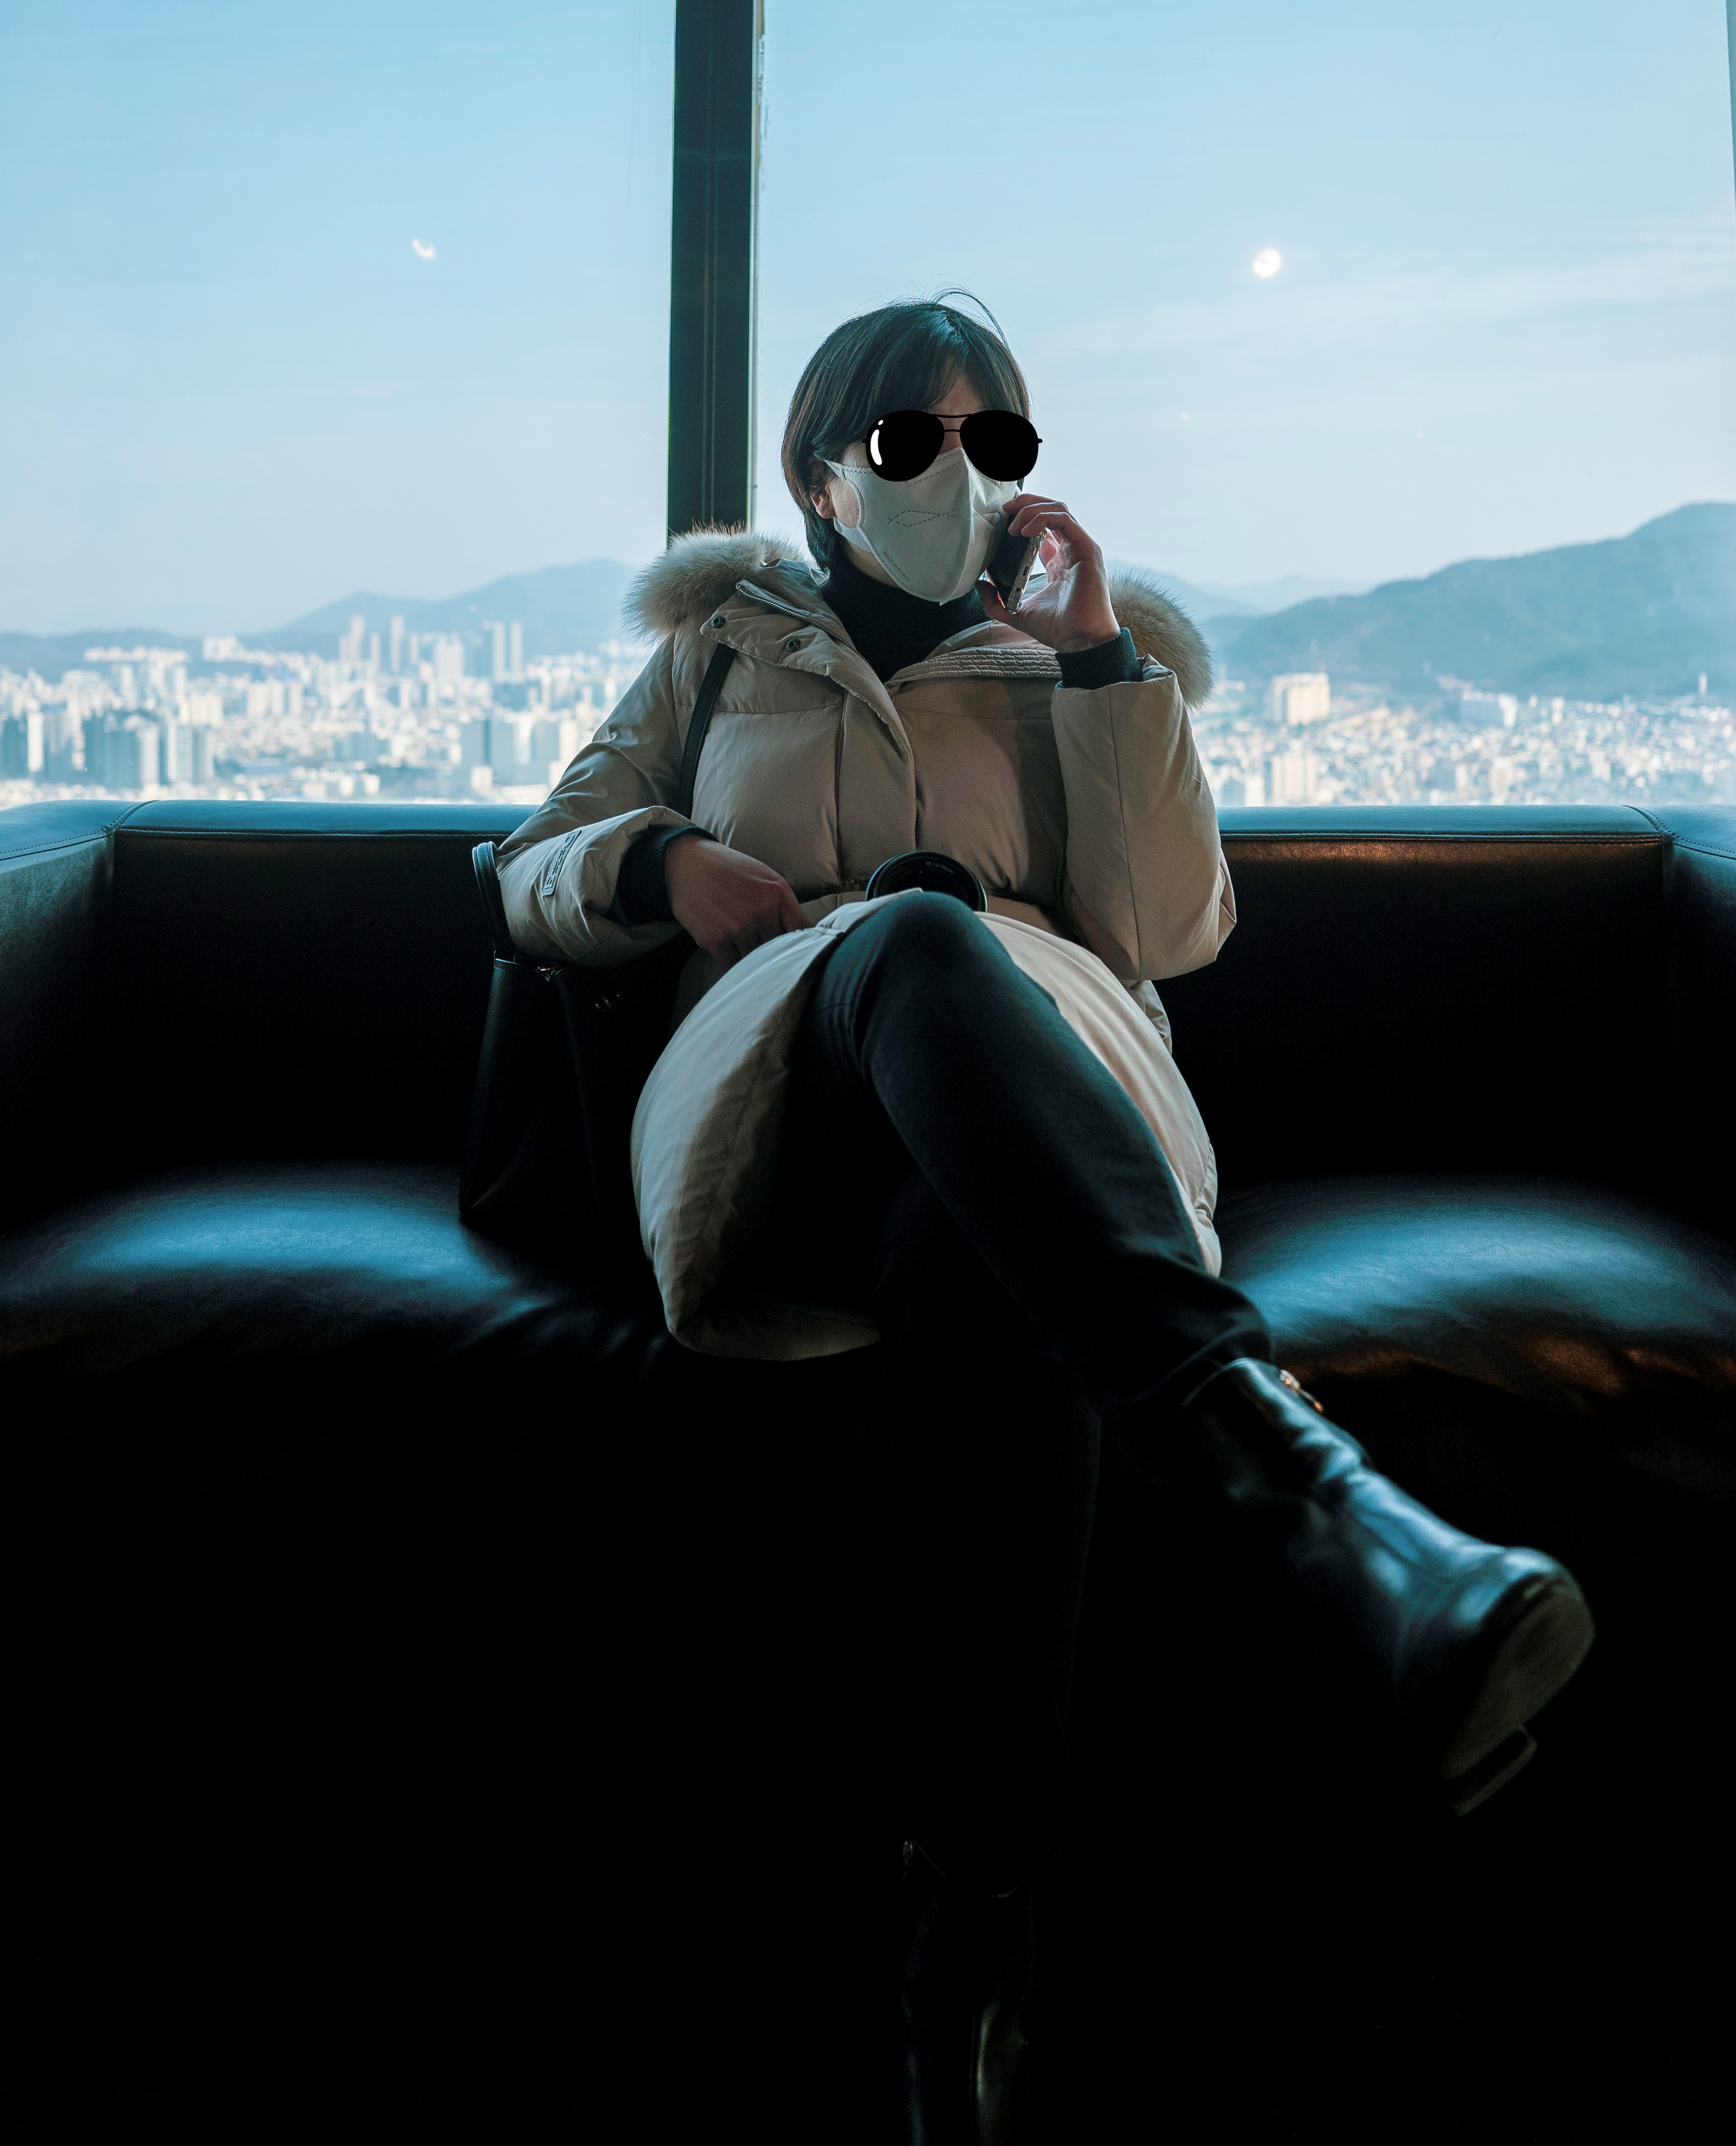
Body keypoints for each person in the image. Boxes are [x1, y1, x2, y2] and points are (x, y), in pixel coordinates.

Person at [495, 297, 1593, 2142]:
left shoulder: (1084, 659)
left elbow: (1167, 932)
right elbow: (532, 865)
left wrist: (1097, 668)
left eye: (991, 440)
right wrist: (660, 859)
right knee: (915, 933)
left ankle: (970, 1923)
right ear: (819, 474)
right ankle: (1304, 1494)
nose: (956, 474)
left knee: (982, 1261)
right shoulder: (718, 650)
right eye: (907, 440)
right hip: (775, 1107)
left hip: (1034, 1130)